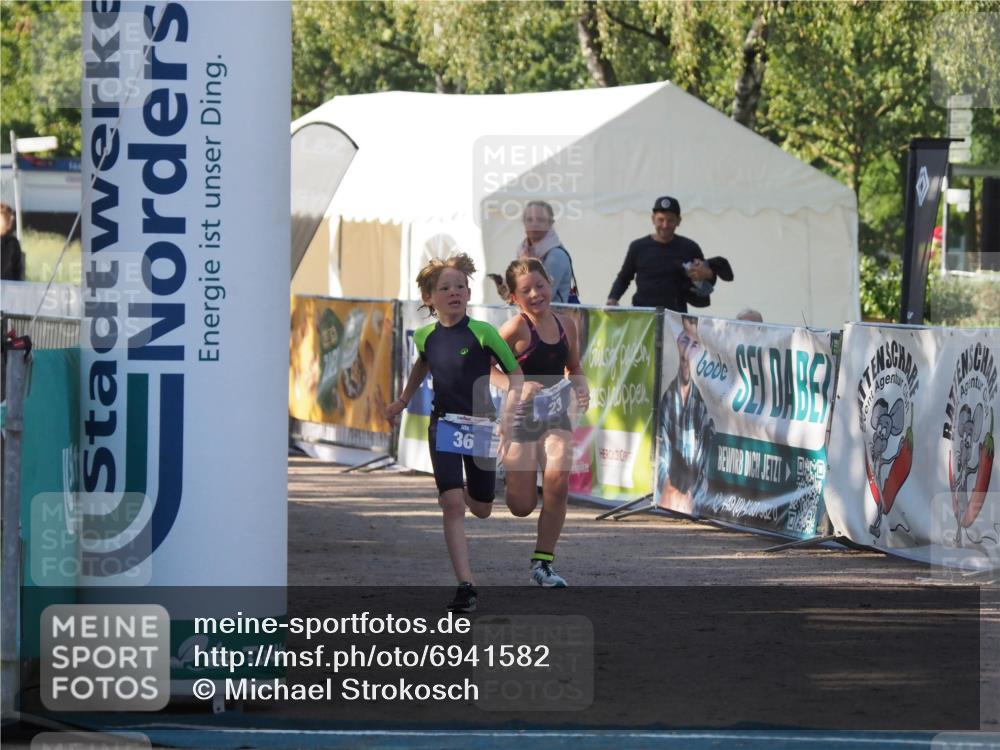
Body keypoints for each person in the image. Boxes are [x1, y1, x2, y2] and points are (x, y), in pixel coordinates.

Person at [385, 253, 522, 613]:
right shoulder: (426, 336)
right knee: (452, 505)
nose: (454, 292)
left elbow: (515, 375)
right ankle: (466, 585)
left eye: (460, 286)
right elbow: (423, 364)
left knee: (482, 508)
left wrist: (508, 416)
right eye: (445, 288)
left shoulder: (484, 332)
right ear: (429, 298)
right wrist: (403, 400)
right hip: (443, 424)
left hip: (480, 425)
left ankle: (461, 490)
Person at [495, 258, 589, 587]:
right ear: (513, 297)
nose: (535, 294)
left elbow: (573, 367)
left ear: (550, 283)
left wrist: (580, 385)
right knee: (521, 505)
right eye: (526, 290)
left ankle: (543, 563)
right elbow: (485, 369)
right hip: (521, 417)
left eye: (540, 285)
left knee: (558, 482)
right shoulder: (514, 328)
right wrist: (517, 386)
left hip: (555, 415)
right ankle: (506, 472)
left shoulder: (567, 324)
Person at [606, 196, 732, 311]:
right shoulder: (638, 247)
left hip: (676, 316)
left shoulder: (689, 247)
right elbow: (624, 277)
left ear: (679, 221)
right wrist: (613, 298)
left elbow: (705, 283)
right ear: (653, 220)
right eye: (660, 220)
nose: (665, 225)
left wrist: (708, 274)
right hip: (643, 315)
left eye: (670, 220)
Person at [656, 315, 715, 515]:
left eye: (695, 343)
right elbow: (660, 453)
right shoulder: (668, 398)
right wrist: (667, 489)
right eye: (684, 340)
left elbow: (704, 468)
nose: (688, 349)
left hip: (693, 501)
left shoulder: (703, 406)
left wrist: (691, 497)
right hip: (669, 497)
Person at [490, 201, 575, 304]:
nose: (534, 224)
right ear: (524, 222)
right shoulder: (523, 250)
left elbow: (542, 298)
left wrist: (513, 293)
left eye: (540, 220)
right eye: (530, 220)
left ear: (550, 223)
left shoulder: (556, 256)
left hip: (552, 318)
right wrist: (506, 290)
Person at [1, 203, 25, 281]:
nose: (10, 220)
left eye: (10, 218)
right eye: (6, 217)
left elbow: (18, 270)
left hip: (7, 288)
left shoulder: (13, 242)